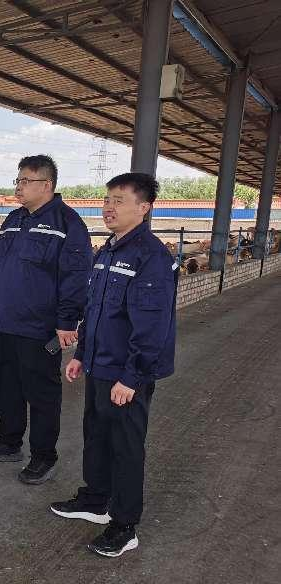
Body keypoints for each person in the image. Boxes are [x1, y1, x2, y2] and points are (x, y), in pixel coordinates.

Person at [50, 172, 177, 558]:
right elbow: (95, 309)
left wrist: (132, 377)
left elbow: (152, 327)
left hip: (126, 374)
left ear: (144, 208)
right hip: (101, 366)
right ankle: (95, 500)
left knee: (125, 446)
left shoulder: (151, 257)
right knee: (97, 436)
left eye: (119, 200)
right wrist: (82, 356)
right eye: (108, 199)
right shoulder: (107, 251)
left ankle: (124, 525)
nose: (109, 207)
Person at [0, 155, 92, 484]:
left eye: (24, 181)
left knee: (41, 392)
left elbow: (75, 276)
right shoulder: (12, 219)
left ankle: (44, 455)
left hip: (40, 328)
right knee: (7, 385)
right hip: (5, 323)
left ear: (46, 185)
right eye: (17, 181)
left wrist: (67, 321)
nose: (18, 187)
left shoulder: (68, 224)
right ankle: (10, 441)